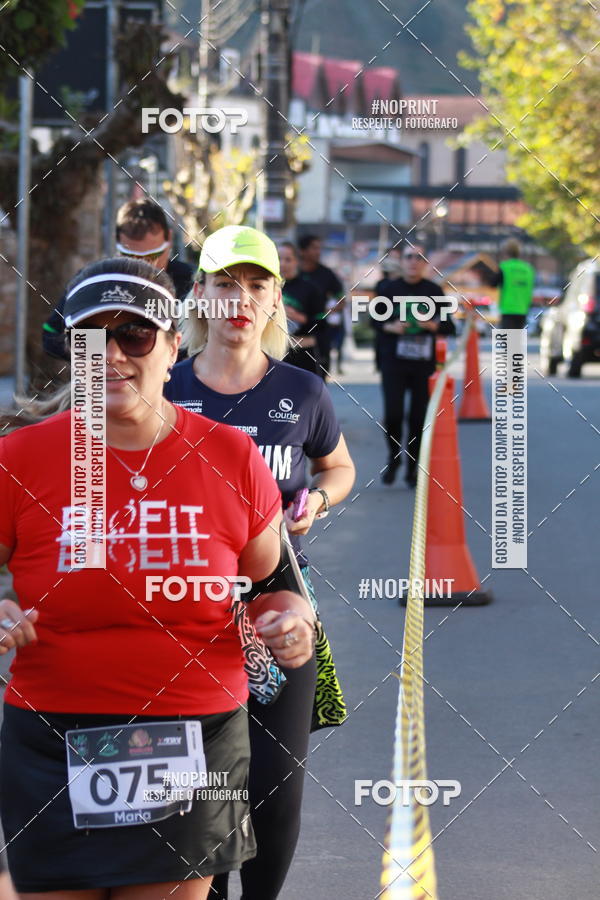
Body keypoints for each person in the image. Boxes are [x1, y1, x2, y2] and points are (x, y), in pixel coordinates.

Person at [0, 257, 316, 896]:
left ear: (173, 345)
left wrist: (292, 622)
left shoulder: (229, 454)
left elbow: (271, 584)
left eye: (135, 335)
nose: (112, 355)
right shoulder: (18, 458)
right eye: (92, 337)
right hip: (55, 731)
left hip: (192, 734)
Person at [164, 224, 355, 900]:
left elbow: (337, 465)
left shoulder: (303, 391)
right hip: (182, 624)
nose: (239, 299)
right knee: (199, 793)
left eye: (256, 285)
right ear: (200, 297)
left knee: (275, 791)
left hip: (278, 618)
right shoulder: (165, 390)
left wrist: (320, 501)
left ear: (276, 299)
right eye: (224, 284)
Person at [42, 198, 194, 359]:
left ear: (169, 239)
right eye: (131, 256)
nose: (143, 264)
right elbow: (51, 333)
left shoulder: (192, 282)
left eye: (153, 255)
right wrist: (100, 353)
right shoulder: (93, 281)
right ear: (117, 242)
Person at [373, 242, 455, 488]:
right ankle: (395, 457)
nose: (413, 262)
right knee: (393, 415)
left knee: (418, 418)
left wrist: (434, 325)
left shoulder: (434, 291)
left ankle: (413, 467)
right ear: (402, 261)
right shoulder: (389, 289)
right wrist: (391, 326)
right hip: (394, 361)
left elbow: (450, 326)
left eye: (419, 258)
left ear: (425, 263)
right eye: (409, 257)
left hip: (422, 364)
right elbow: (374, 320)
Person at [298, 234, 345, 377]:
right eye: (314, 248)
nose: (318, 251)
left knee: (319, 375)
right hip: (293, 332)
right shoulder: (293, 273)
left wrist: (327, 311)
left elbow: (341, 299)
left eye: (319, 248)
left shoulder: (326, 273)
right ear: (302, 251)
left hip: (319, 332)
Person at [278, 241, 323, 375]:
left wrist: (298, 317)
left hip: (302, 354)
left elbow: (322, 324)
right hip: (273, 354)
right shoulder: (266, 287)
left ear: (296, 261)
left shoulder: (310, 289)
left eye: (288, 259)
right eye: (279, 259)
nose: (282, 264)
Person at [490, 238, 535, 329]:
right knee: (517, 340)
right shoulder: (528, 269)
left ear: (506, 252)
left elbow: (492, 284)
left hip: (508, 309)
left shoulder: (504, 267)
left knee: (507, 340)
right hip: (523, 309)